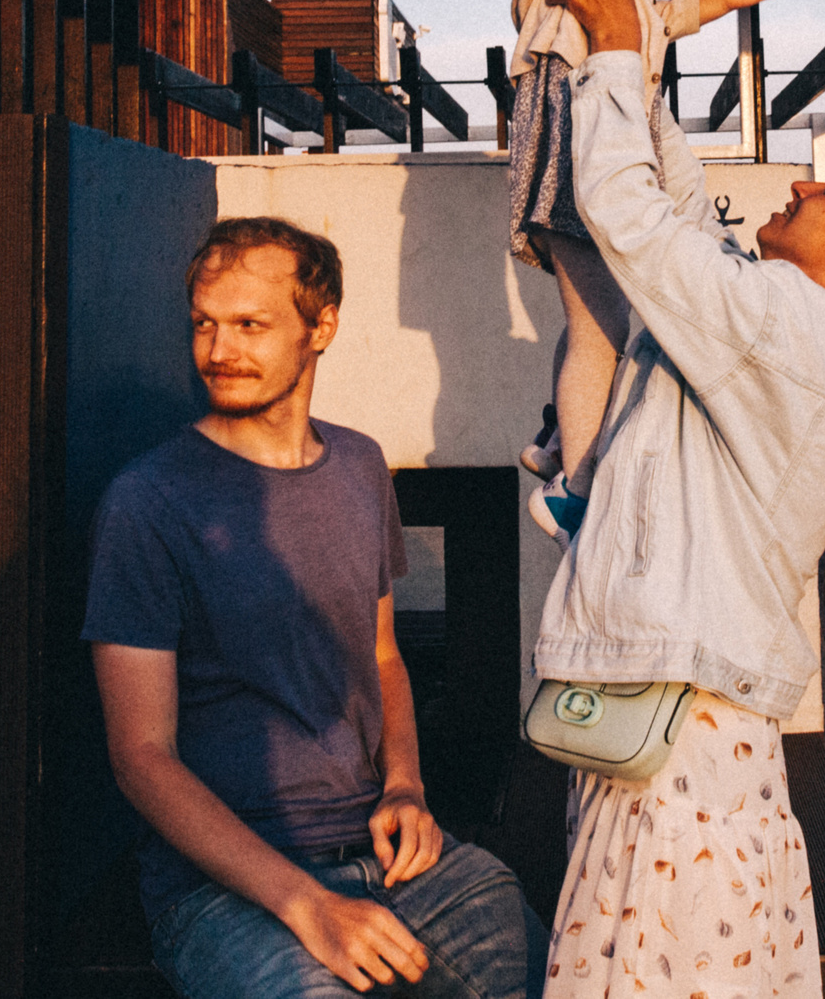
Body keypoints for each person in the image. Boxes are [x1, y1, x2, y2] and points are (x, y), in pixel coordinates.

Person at [534, 0, 825, 999]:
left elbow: (632, 218)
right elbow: (682, 215)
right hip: (687, 753)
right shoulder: (800, 345)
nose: (797, 180)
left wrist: (610, 46)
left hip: (676, 769)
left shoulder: (796, 337)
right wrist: (636, 50)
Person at [85, 219, 539, 999]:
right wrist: (309, 905)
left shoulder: (360, 465)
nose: (218, 350)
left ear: (320, 325)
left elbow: (383, 656)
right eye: (204, 323)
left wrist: (406, 786)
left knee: (554, 969)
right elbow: (141, 756)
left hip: (386, 854)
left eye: (250, 325)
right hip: (225, 887)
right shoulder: (147, 500)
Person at [499, 0, 782, 543]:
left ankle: (560, 436)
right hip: (579, 121)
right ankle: (576, 488)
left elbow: (644, 28)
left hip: (585, 117)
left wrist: (718, 3)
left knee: (592, 314)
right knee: (603, 327)